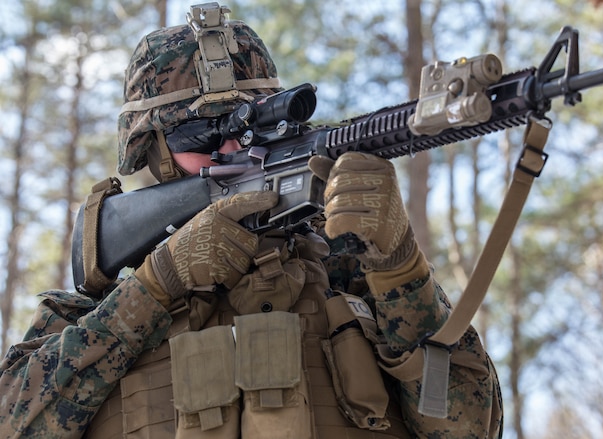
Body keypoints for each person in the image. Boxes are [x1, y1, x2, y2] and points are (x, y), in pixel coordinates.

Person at [0, 3, 502, 438]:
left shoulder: (351, 272)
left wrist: (399, 267)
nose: (231, 150)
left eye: (251, 129)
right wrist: (153, 289)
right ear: (147, 151)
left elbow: (468, 427)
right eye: (200, 138)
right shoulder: (92, 309)